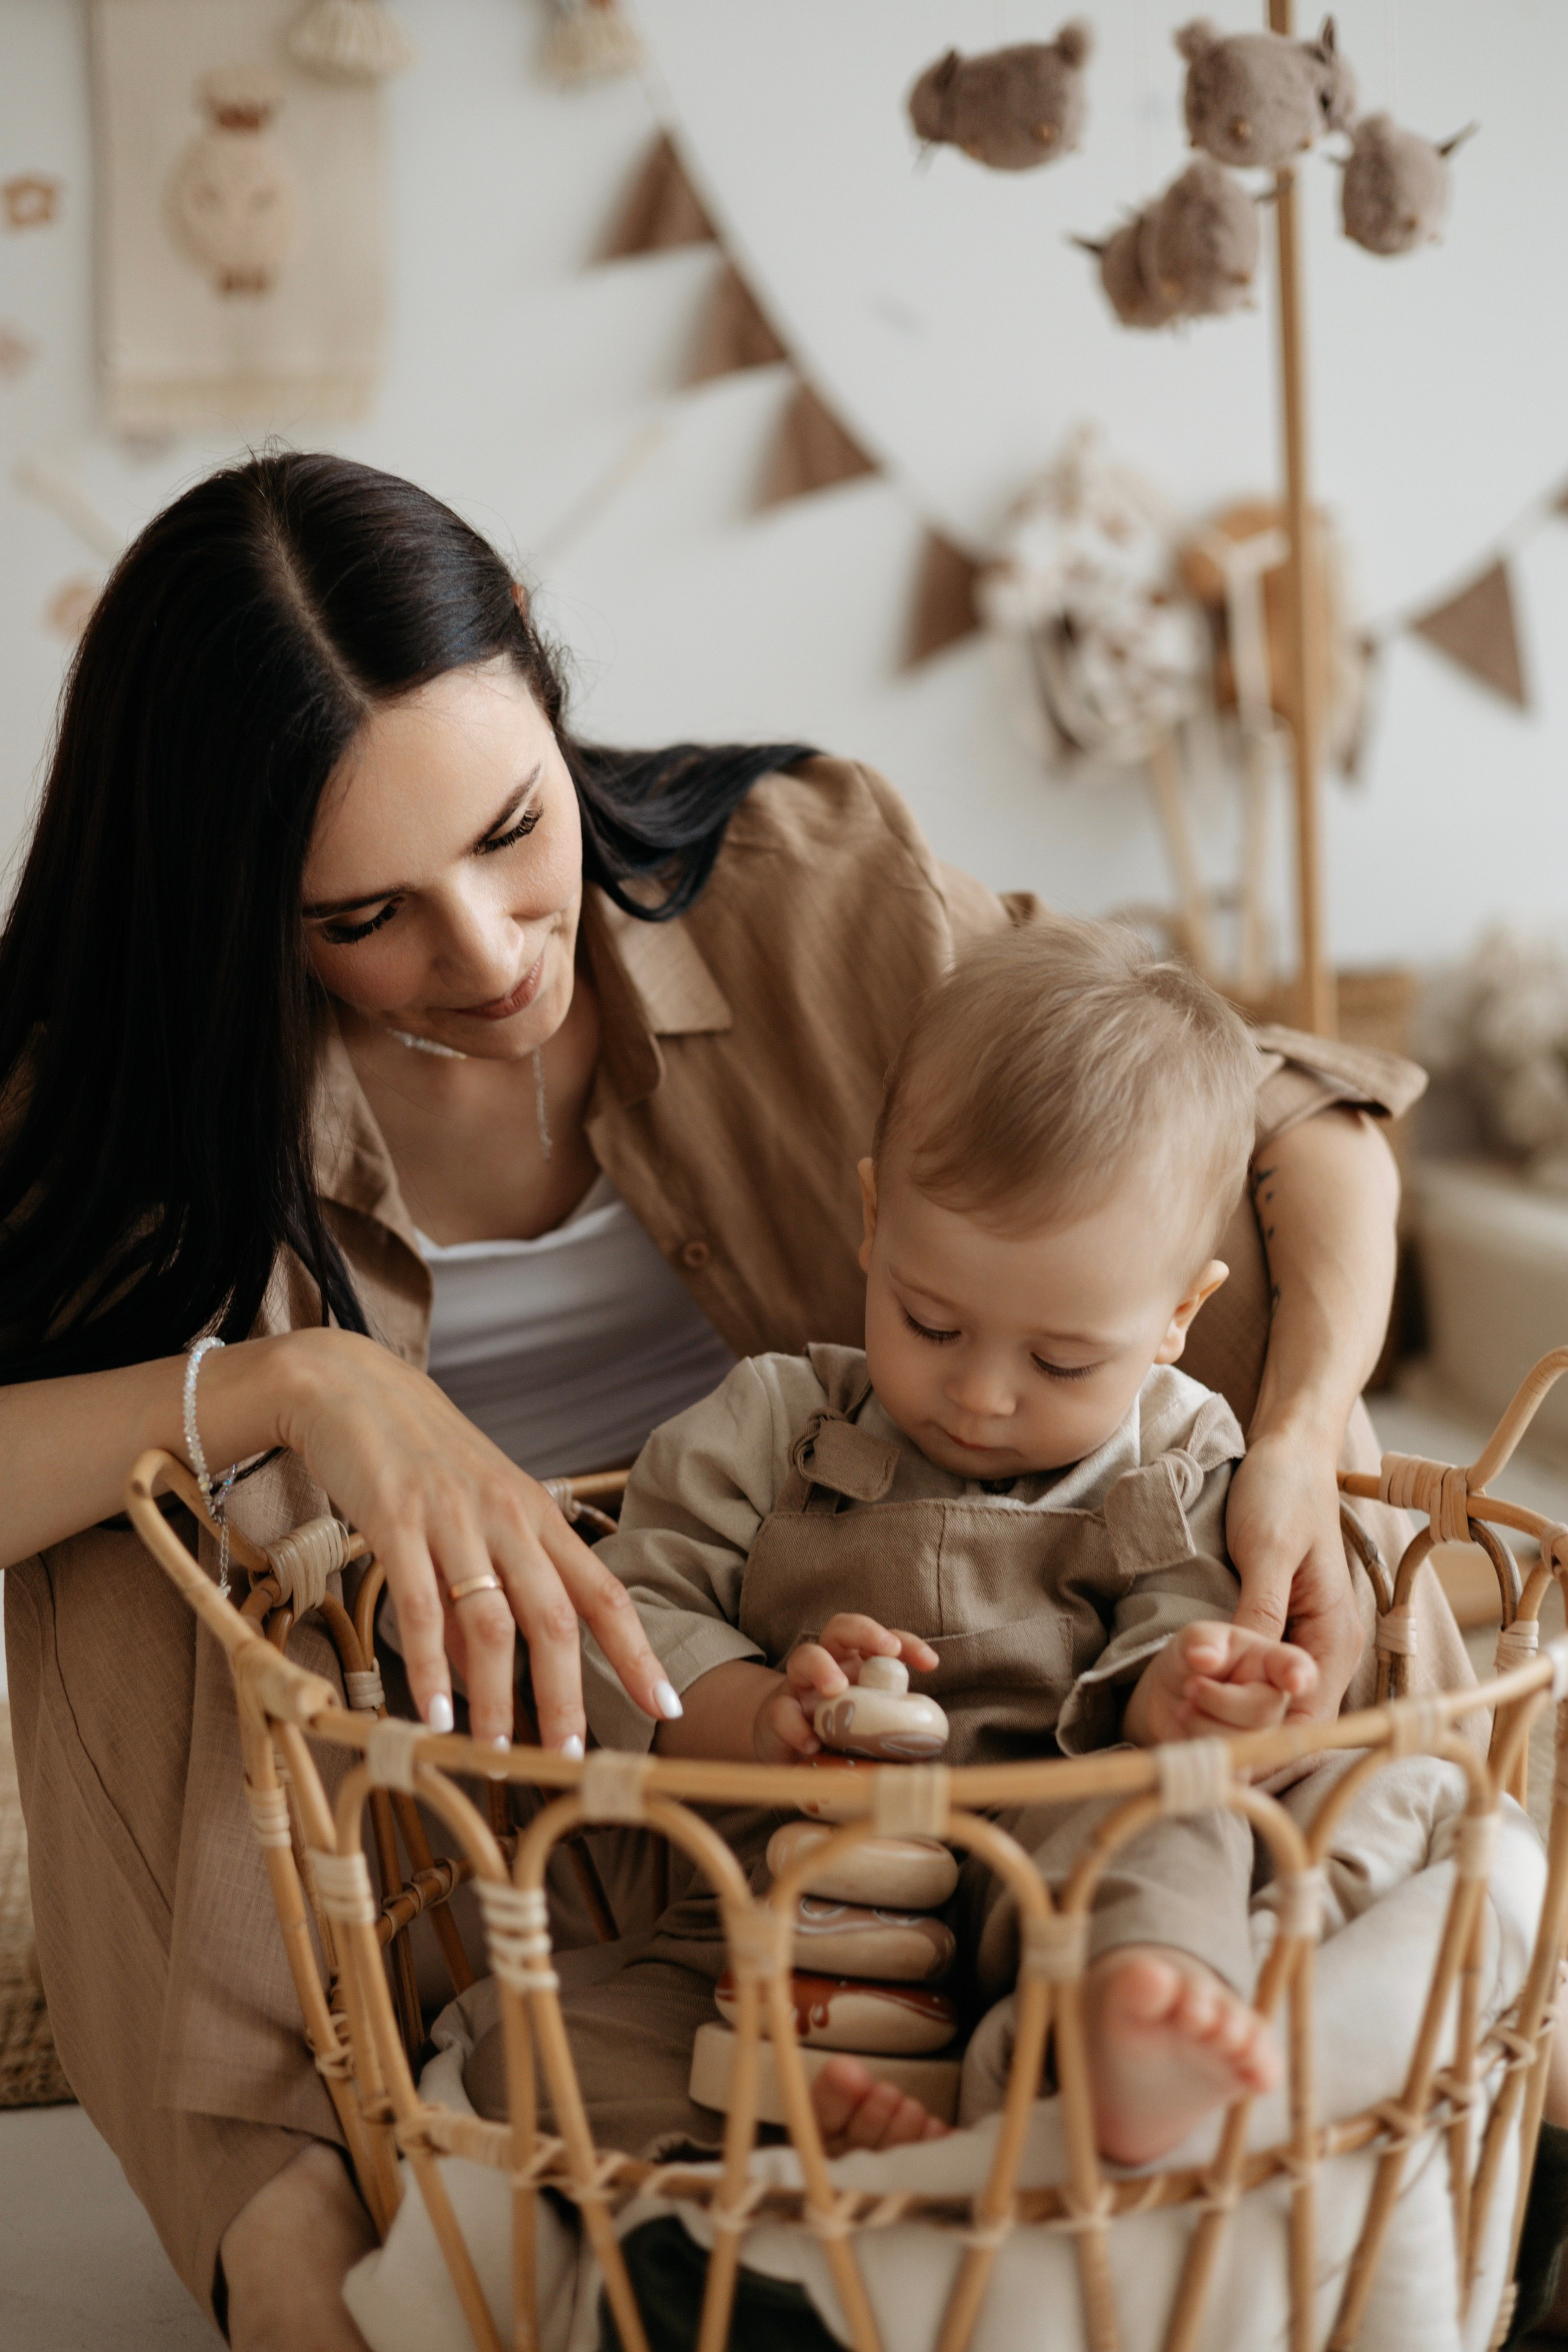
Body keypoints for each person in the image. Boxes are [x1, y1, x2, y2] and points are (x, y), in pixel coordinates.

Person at [0, 452, 1445, 2350]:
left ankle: (1330, 1979)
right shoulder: (127, 1085)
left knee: (1134, 1228)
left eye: (513, 831)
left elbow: (1296, 1118)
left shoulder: (798, 877)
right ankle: (293, 2236)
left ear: (542, 672)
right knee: (127, 1510)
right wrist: (294, 1382)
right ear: (238, 899)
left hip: (987, 1676)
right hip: (464, 1798)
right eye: (365, 916)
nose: (489, 954)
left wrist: (1308, 1428)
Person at [548, 920, 1311, 2166]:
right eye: (930, 1322)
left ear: (1177, 1316)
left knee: (1175, 1836)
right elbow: (625, 1620)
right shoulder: (770, 1426)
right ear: (872, 1220)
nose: (982, 1396)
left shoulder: (1174, 1455)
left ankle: (1127, 2026)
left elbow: (1185, 1616)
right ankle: (856, 2149)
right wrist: (762, 1714)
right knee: (553, 2055)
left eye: (1061, 1361)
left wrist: (1181, 1691)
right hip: (783, 1911)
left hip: (1052, 1876)